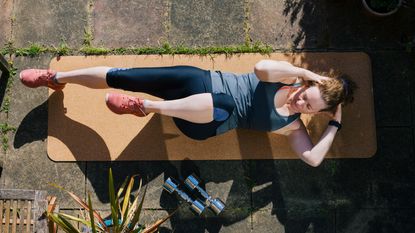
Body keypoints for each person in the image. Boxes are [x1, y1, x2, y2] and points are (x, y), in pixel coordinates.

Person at [19, 60, 356, 167]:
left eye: (308, 105)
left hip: (204, 121)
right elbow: (260, 67)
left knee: (223, 103)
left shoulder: (292, 127)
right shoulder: (289, 76)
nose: (299, 101)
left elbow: (312, 159)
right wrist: (308, 75)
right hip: (196, 83)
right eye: (303, 93)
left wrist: (335, 124)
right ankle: (56, 79)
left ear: (317, 114)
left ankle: (144, 106)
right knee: (125, 76)